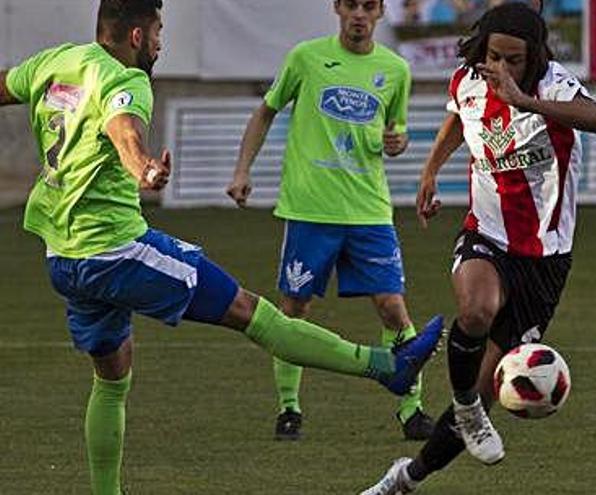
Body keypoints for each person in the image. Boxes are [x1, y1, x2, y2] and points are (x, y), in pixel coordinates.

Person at [0, 1, 444, 493]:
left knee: (113, 376)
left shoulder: (55, 62)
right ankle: (389, 367)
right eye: (158, 31)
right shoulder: (127, 81)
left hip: (65, 258)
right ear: (135, 37)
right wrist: (144, 167)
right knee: (251, 312)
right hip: (118, 252)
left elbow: (6, 85)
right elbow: (123, 130)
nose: (161, 42)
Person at [359, 3, 596, 493]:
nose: (502, 68)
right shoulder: (468, 80)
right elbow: (457, 119)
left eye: (514, 59)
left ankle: (405, 478)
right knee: (476, 311)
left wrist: (525, 101)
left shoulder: (553, 85)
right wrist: (430, 172)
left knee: (488, 383)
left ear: (533, 57)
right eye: (495, 56)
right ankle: (468, 407)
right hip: (486, 233)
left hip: (546, 256)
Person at [226, 0, 435, 442]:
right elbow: (266, 110)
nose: (359, 14)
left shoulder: (395, 70)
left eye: (369, 6)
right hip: (309, 210)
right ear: (337, 8)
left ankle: (412, 410)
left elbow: (393, 133)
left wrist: (398, 142)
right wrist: (242, 170)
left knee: (393, 308)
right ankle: (289, 409)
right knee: (294, 310)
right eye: (352, 5)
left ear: (379, 13)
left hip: (369, 211)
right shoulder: (305, 57)